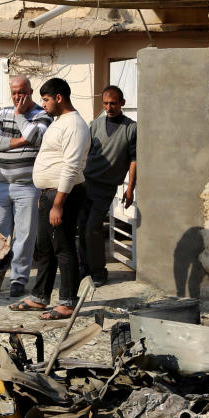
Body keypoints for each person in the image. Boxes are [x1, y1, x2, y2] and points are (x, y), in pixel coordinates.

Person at [8, 77, 88, 320]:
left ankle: (67, 302)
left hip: (62, 195)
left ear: (59, 98)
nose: (43, 104)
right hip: (48, 193)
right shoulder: (59, 121)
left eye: (45, 99)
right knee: (44, 248)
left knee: (63, 248)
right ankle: (40, 297)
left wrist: (58, 205)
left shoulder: (74, 124)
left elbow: (71, 167)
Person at [0, 76, 52, 298]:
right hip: (3, 184)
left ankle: (18, 279)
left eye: (21, 92)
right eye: (13, 93)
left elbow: (37, 137)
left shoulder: (42, 114)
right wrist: (22, 141)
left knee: (24, 235)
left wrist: (20, 117)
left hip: (27, 186)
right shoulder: (2, 113)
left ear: (30, 91)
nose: (17, 97)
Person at [78, 85, 137, 286]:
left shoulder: (131, 128)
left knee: (93, 229)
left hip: (106, 187)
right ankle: (84, 269)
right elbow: (84, 152)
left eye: (113, 103)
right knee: (83, 226)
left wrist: (130, 189)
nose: (109, 107)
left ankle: (99, 272)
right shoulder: (95, 125)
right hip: (86, 182)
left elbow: (134, 160)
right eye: (105, 103)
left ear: (122, 103)